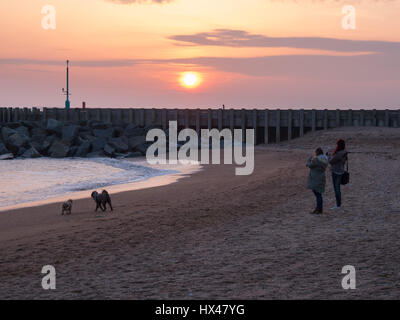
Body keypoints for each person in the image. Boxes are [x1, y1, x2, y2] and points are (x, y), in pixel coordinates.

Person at [306, 147, 329, 214]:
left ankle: (319, 209)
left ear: (317, 153)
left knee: (318, 194)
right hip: (321, 177)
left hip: (315, 177)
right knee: (318, 193)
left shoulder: (316, 159)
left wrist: (309, 159)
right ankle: (318, 208)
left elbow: (309, 165)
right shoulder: (325, 159)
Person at [327, 139, 348, 210]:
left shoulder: (339, 154)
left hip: (336, 172)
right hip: (341, 171)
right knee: (338, 188)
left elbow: (331, 161)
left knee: (336, 189)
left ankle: (338, 205)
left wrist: (329, 154)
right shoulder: (344, 152)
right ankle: (339, 204)